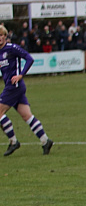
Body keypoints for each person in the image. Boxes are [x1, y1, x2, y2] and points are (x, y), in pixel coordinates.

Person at [0, 25, 53, 156]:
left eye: (1, 35)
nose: (0, 38)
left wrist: (21, 75)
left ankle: (13, 142)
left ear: (5, 36)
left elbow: (29, 58)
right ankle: (45, 141)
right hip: (11, 86)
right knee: (27, 116)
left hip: (15, 86)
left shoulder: (12, 48)